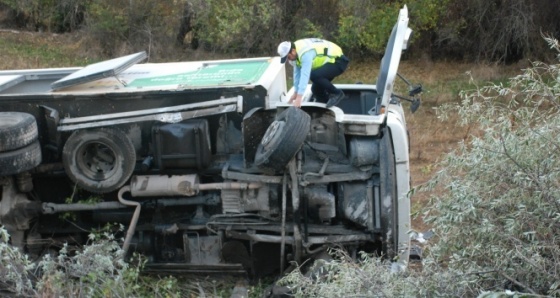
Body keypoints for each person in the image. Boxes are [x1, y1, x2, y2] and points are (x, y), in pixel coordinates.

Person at [277, 38, 349, 108]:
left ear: (292, 51)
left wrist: (299, 97)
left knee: (314, 75)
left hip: (338, 61)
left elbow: (305, 75)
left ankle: (336, 93)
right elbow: (297, 75)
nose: (288, 60)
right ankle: (324, 108)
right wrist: (295, 93)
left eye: (288, 57)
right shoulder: (296, 54)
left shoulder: (305, 53)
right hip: (330, 64)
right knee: (316, 90)